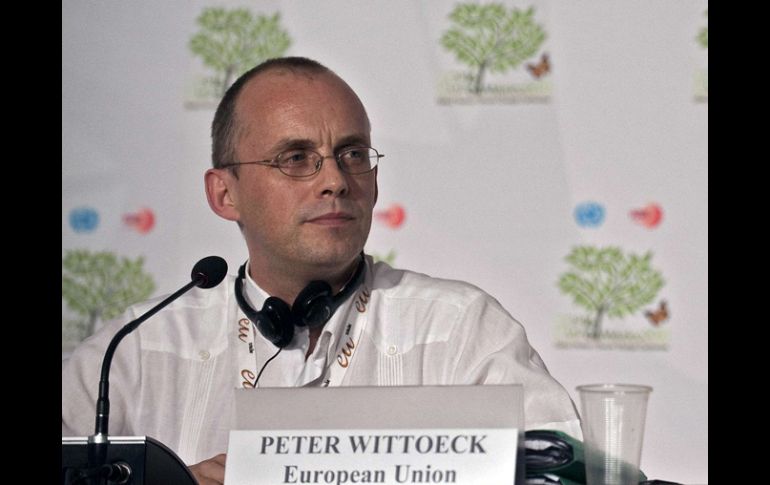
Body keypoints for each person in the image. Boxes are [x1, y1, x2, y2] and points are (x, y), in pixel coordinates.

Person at [62, 57, 580, 485]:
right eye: (295, 157)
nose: (334, 179)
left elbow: (566, 474)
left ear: (374, 184)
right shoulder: (131, 352)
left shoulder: (460, 330)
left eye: (351, 154)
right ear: (224, 193)